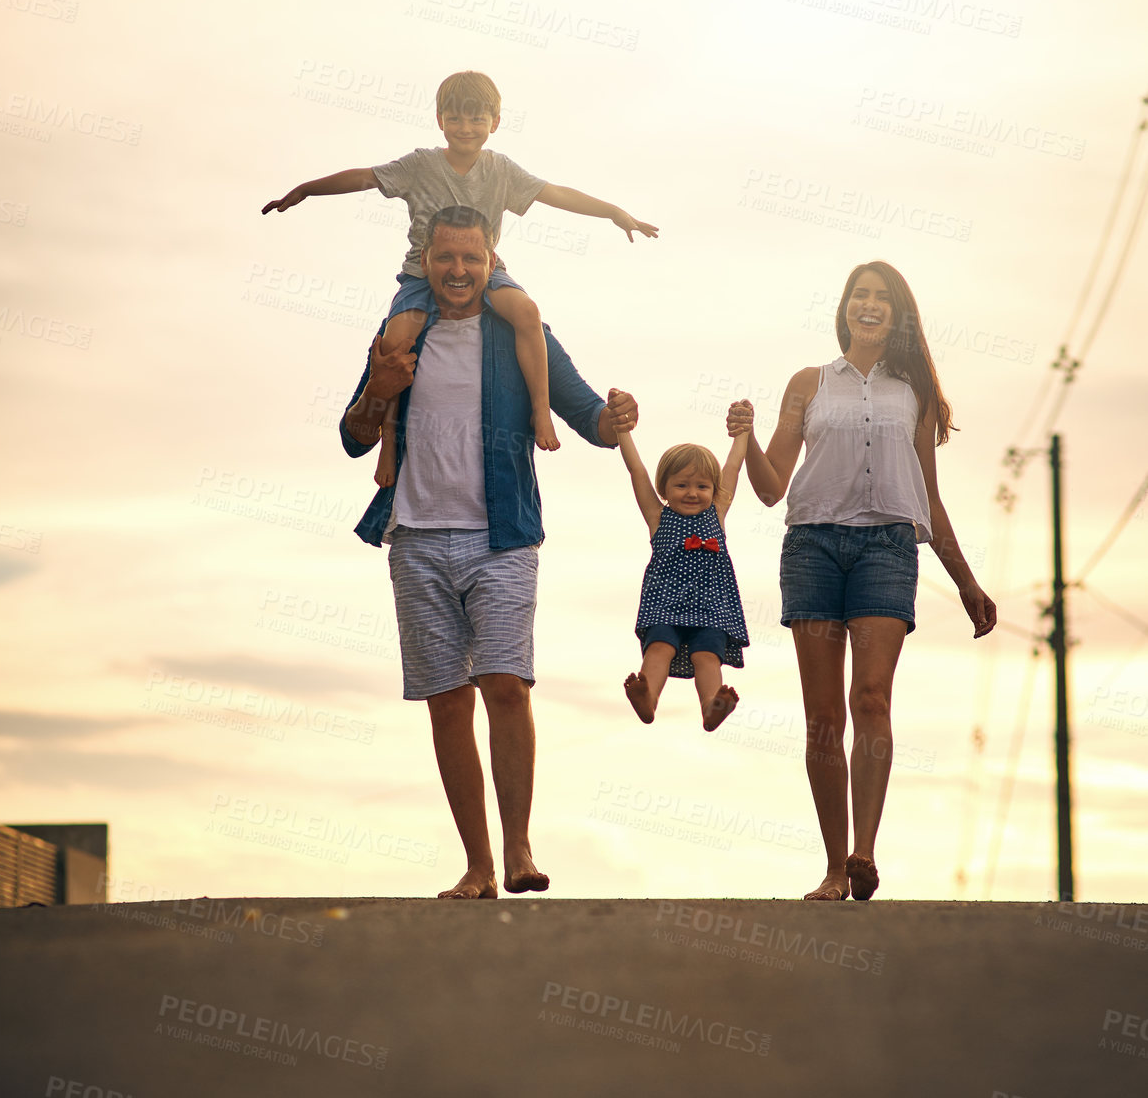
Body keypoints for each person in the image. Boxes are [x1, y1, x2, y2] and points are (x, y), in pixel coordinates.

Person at [339, 203, 638, 901]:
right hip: (415, 536)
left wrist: (615, 415)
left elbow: (584, 412)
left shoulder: (516, 332)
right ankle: (477, 867)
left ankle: (518, 847)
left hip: (501, 535)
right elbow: (354, 435)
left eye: (471, 258)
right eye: (444, 257)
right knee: (446, 702)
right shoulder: (399, 334)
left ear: (491, 256)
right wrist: (376, 394)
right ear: (426, 260)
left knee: (505, 683)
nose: (457, 270)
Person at [728, 260, 995, 902]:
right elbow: (769, 491)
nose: (868, 305)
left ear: (898, 314)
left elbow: (928, 495)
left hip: (887, 547)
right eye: (859, 296)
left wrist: (965, 581)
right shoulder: (809, 383)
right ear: (844, 308)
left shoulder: (915, 393)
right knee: (823, 718)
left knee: (870, 700)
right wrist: (749, 435)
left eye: (881, 298)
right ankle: (832, 869)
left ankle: (863, 854)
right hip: (813, 547)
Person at [265, 68, 655, 478]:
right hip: (419, 276)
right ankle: (390, 443)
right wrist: (308, 188)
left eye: (475, 118)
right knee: (396, 344)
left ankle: (542, 411)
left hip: (492, 273)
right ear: (439, 120)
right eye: (455, 118)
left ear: (495, 122)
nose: (465, 128)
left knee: (526, 312)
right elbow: (366, 177)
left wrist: (613, 211)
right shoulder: (421, 165)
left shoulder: (501, 171)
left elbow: (555, 193)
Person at [616, 426, 750, 732]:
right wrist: (622, 432)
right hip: (665, 602)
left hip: (711, 605)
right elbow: (636, 471)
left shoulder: (717, 512)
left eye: (702, 486)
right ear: (663, 489)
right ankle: (647, 697)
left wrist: (742, 433)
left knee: (707, 656)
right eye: (681, 485)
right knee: (659, 648)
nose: (692, 493)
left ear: (714, 490)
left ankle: (711, 708)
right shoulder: (658, 517)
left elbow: (733, 466)